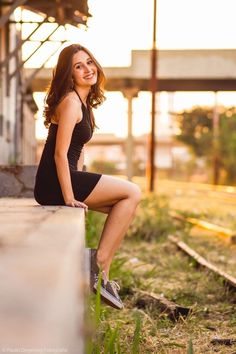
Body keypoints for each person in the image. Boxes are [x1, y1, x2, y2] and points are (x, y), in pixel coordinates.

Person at [34, 44, 142, 310]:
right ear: (69, 75)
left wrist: (82, 180)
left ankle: (102, 273)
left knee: (125, 206)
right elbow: (60, 155)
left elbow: (77, 150)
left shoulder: (83, 103)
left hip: (64, 178)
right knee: (132, 192)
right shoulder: (71, 102)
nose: (87, 69)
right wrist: (70, 196)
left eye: (89, 62)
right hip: (54, 183)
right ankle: (98, 268)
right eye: (78, 66)